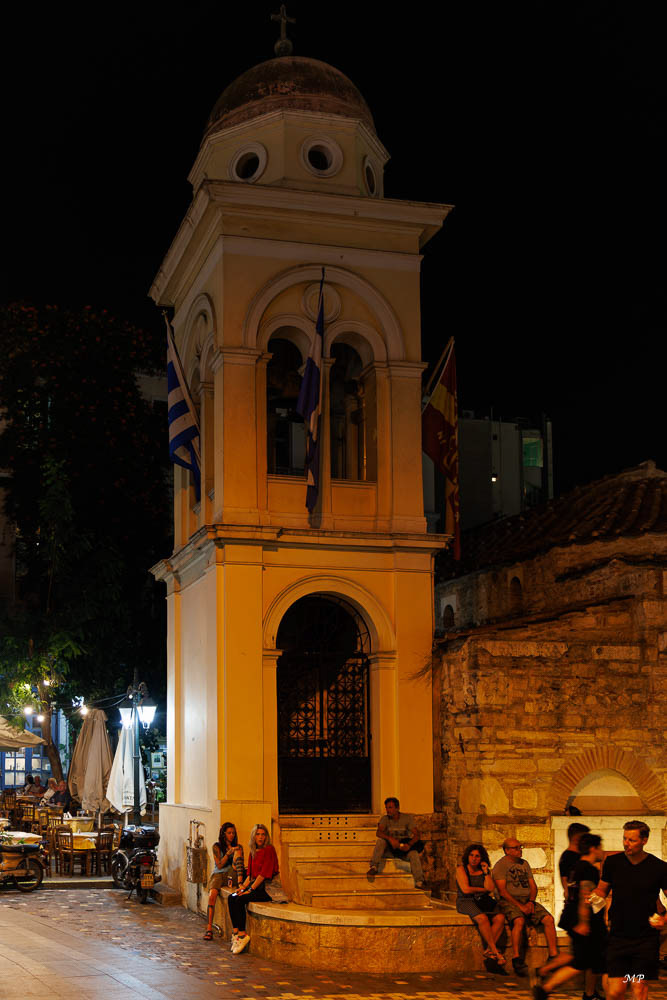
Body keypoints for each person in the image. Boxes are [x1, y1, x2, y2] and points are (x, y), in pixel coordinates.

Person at [591, 820, 667, 1000]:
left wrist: (664, 919)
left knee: (638, 985)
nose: (626, 843)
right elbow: (602, 890)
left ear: (644, 840)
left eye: (631, 840)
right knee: (617, 990)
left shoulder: (659, 867)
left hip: (645, 939)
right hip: (618, 936)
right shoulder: (613, 862)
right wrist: (593, 898)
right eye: (624, 839)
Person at [532, 833, 608, 1000]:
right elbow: (584, 896)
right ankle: (546, 988)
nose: (603, 851)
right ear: (593, 849)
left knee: (585, 958)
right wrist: (584, 922)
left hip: (573, 918)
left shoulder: (576, 866)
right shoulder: (588, 870)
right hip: (585, 922)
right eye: (600, 847)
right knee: (580, 963)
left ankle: (589, 993)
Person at [492, 837, 559, 977]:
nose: (519, 850)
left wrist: (530, 902)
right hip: (509, 900)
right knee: (518, 921)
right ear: (507, 851)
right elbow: (502, 891)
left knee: (548, 920)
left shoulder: (524, 864)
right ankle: (517, 959)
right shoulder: (500, 866)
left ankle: (553, 956)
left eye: (520, 847)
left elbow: (533, 886)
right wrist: (520, 906)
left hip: (526, 899)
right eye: (516, 848)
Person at [228, 823, 279, 955]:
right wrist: (242, 888)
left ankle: (243, 935)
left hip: (267, 889)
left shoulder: (269, 850)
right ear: (254, 836)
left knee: (240, 900)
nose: (260, 837)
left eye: (263, 834)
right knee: (232, 897)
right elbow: (250, 875)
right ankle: (236, 934)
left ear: (266, 836)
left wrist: (249, 891)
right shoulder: (253, 851)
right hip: (255, 885)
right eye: (258, 834)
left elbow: (263, 875)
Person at [455, 843, 506, 969]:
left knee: (500, 918)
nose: (474, 858)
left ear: (482, 858)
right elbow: (466, 890)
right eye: (472, 855)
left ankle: (488, 950)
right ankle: (495, 951)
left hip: (483, 900)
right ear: (468, 856)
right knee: (482, 918)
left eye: (477, 856)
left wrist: (485, 872)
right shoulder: (461, 869)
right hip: (466, 901)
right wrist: (481, 889)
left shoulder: (484, 871)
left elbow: (490, 888)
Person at [367, 797, 425, 889]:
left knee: (414, 853)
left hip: (403, 849)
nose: (387, 810)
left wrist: (409, 845)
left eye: (390, 808)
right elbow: (379, 832)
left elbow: (417, 835)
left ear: (397, 808)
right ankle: (374, 866)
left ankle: (419, 881)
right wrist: (390, 839)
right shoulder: (385, 819)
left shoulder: (406, 818)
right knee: (381, 841)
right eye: (386, 808)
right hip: (390, 849)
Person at [203, 822, 245, 940]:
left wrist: (236, 852)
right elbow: (219, 865)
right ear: (224, 834)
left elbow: (239, 864)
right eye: (229, 833)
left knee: (238, 852)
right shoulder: (216, 846)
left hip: (231, 874)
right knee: (212, 896)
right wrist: (228, 853)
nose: (231, 835)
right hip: (218, 874)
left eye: (233, 833)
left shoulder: (237, 847)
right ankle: (209, 928)